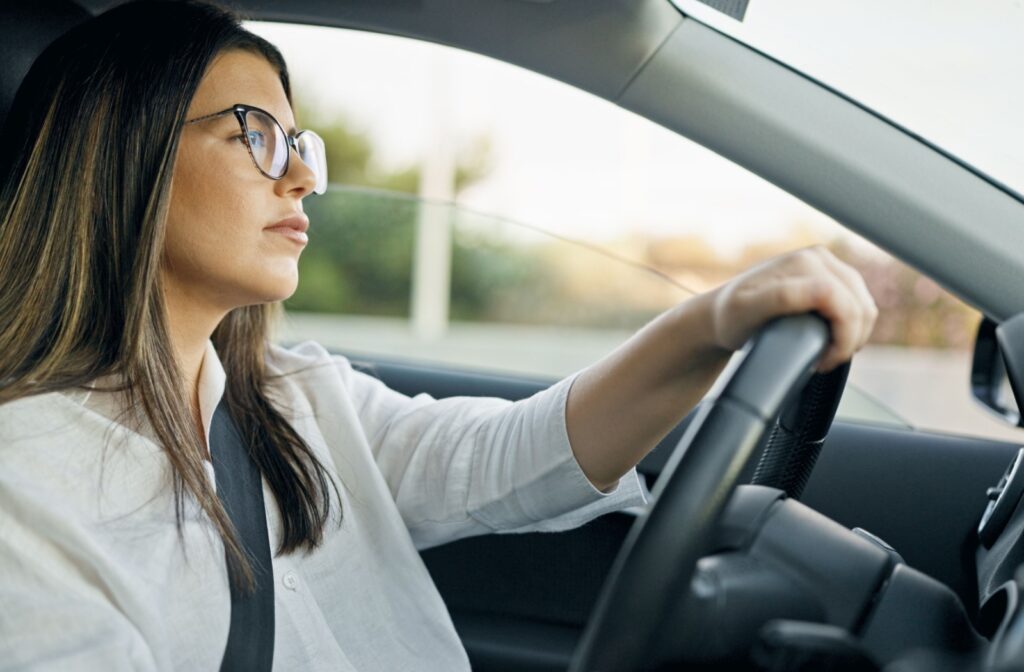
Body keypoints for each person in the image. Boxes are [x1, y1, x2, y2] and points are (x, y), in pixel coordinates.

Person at [0, 1, 877, 670]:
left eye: (299, 140)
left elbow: (514, 458)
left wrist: (716, 322)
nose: (305, 176)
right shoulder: (24, 488)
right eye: (258, 137)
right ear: (125, 156)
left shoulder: (298, 400)